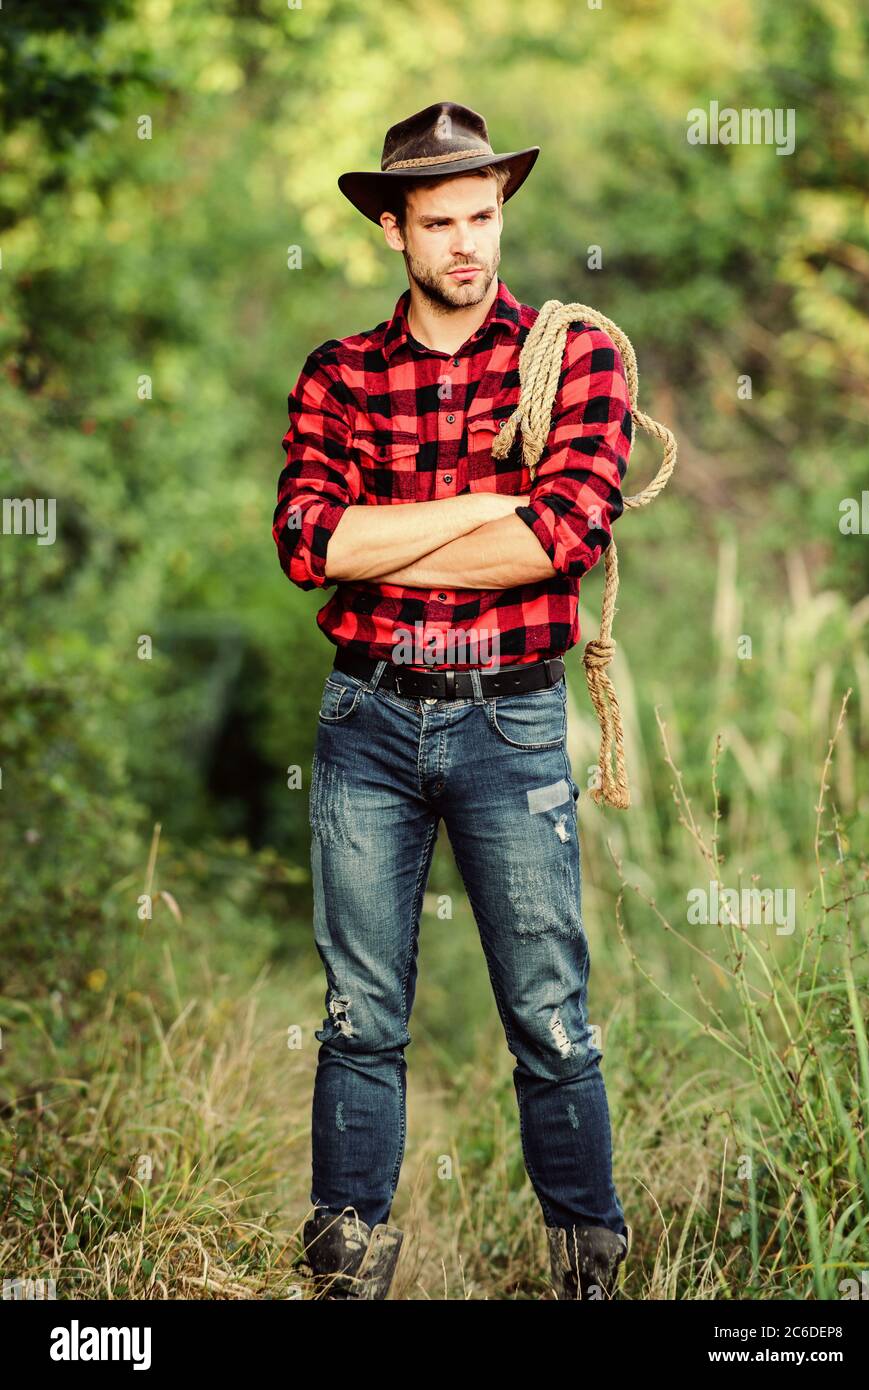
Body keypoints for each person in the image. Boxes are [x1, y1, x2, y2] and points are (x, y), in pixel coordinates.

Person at [273, 101, 631, 1301]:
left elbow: (567, 532)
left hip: (509, 716)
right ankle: (347, 1269)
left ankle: (588, 1265)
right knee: (358, 1012)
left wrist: (391, 543)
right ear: (392, 228)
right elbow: (308, 542)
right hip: (364, 722)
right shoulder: (337, 373)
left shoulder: (572, 353)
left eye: (483, 215)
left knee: (547, 1009)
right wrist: (487, 511)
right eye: (439, 222)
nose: (468, 242)